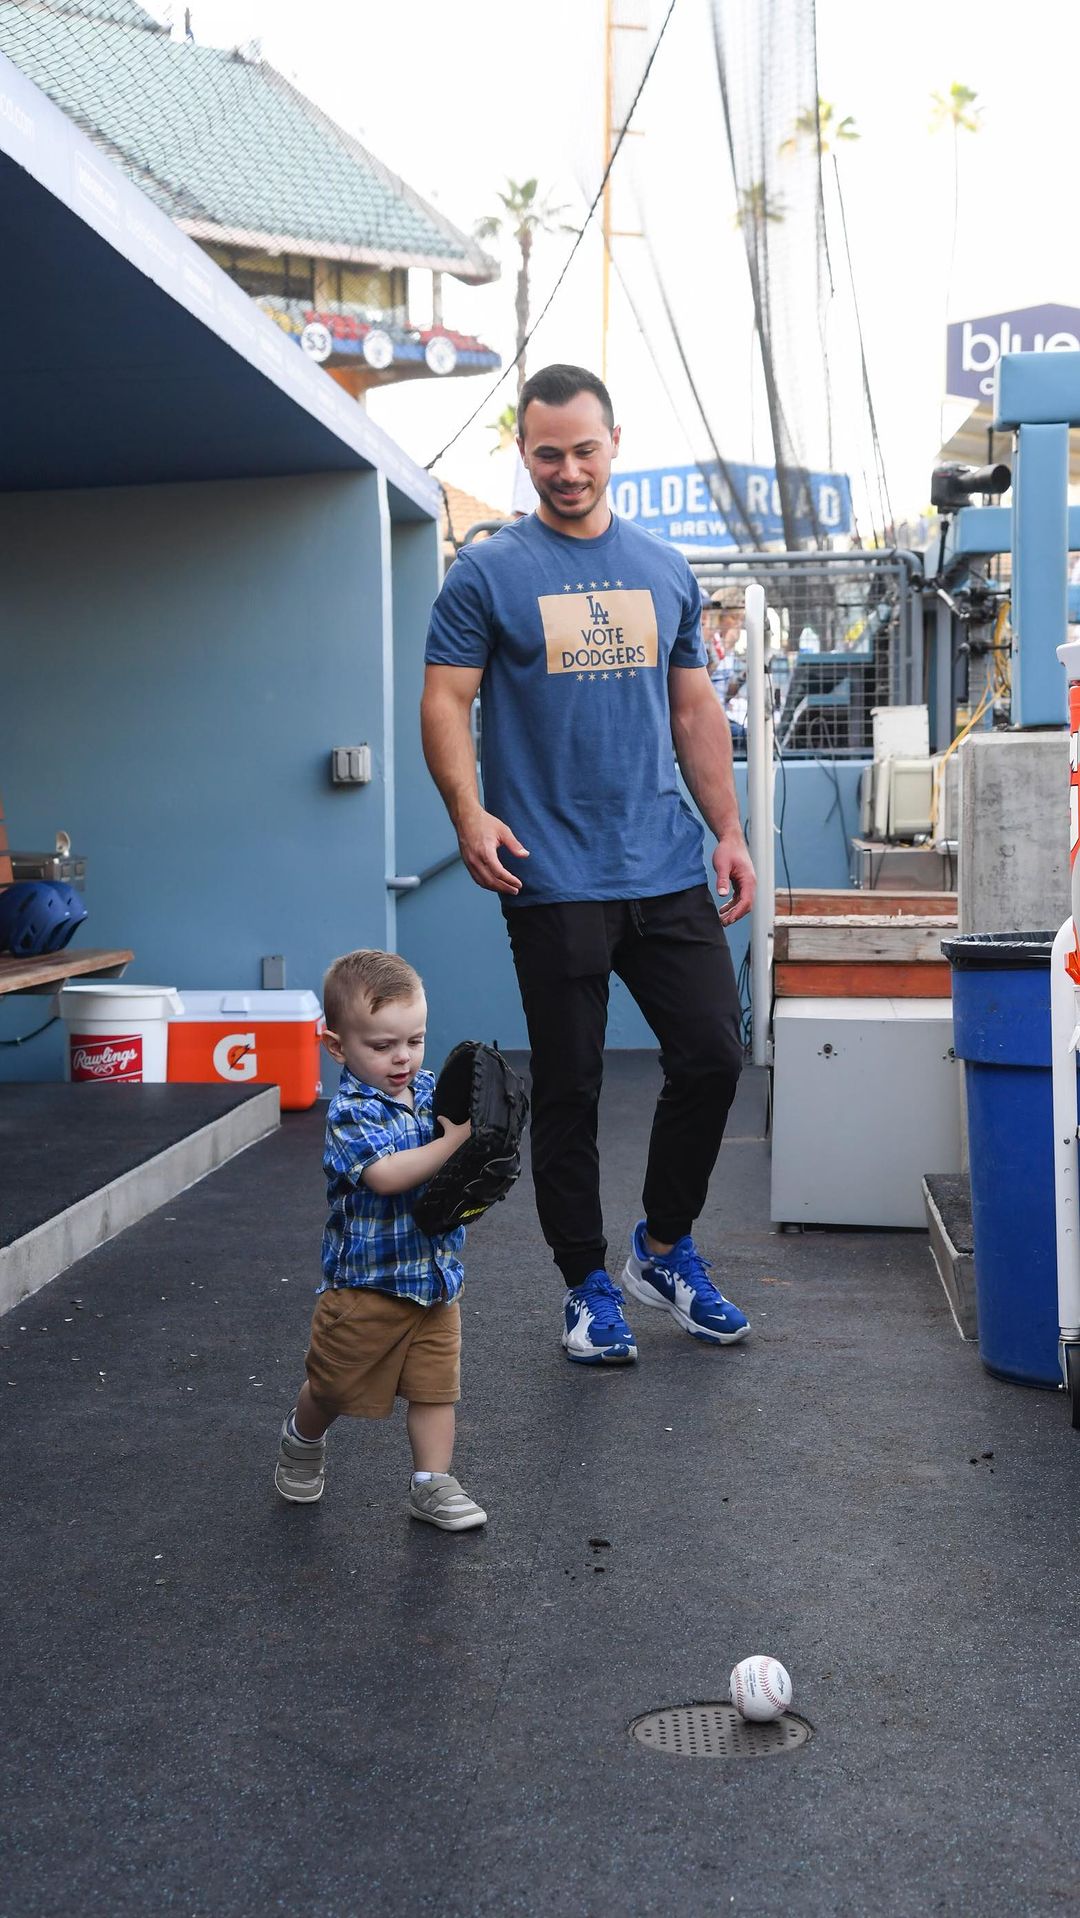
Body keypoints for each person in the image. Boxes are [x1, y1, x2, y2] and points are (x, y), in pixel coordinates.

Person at [420, 363, 755, 1367]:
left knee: (713, 1055)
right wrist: (468, 812)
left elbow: (693, 710)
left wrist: (729, 830)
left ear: (614, 445)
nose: (567, 470)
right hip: (551, 871)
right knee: (570, 1086)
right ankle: (586, 1284)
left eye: (583, 450)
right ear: (525, 455)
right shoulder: (487, 572)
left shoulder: (663, 567)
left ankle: (664, 1247)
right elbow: (446, 700)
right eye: (547, 454)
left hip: (664, 862)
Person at [274, 948, 487, 1530]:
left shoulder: (429, 1091)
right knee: (333, 1388)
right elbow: (387, 1176)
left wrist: (484, 1145)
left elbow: (456, 1166)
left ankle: (431, 1483)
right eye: (382, 1045)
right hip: (366, 1288)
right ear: (337, 1046)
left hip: (435, 1282)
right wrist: (452, 1142)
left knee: (436, 1390)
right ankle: (302, 1437)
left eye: (415, 1040)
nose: (403, 1057)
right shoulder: (350, 1112)